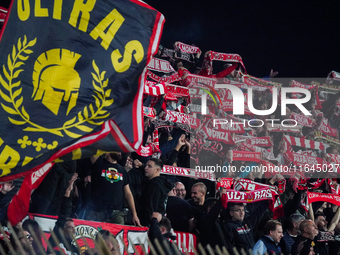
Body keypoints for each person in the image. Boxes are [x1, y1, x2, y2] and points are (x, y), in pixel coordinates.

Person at [89, 152, 141, 226]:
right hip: (98, 211)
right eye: (116, 149)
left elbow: (128, 193)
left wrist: (134, 214)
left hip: (117, 213)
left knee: (118, 236)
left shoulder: (122, 170)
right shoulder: (99, 163)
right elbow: (94, 148)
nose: (120, 152)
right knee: (96, 236)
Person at [139, 158, 173, 226]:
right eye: (145, 165)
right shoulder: (162, 183)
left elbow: (150, 206)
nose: (145, 168)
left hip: (149, 223)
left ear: (157, 170)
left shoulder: (154, 184)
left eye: (149, 166)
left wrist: (146, 223)